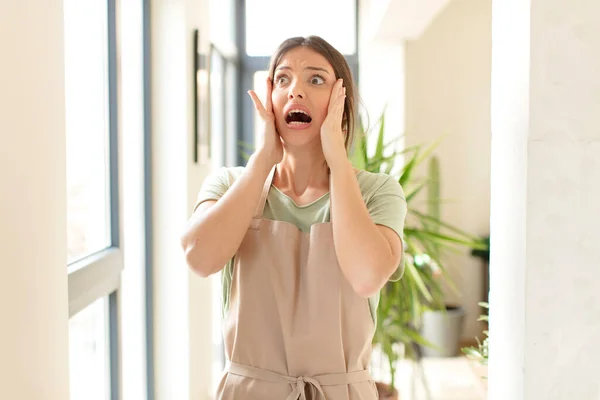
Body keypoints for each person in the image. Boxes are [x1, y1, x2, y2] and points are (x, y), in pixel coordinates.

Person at [181, 36, 407, 400]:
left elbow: (367, 277)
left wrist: (338, 163)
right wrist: (261, 163)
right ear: (269, 98)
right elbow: (199, 257)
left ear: (341, 100)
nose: (295, 91)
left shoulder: (377, 192)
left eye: (315, 79)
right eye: (283, 79)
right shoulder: (230, 184)